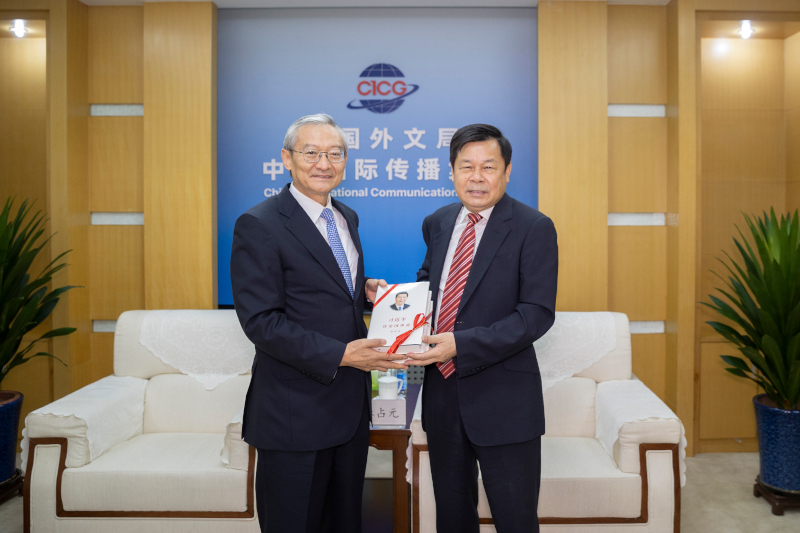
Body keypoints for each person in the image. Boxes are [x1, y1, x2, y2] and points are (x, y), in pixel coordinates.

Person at [230, 113, 407, 533]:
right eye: (311, 152)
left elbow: (322, 283)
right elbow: (261, 322)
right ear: (286, 159)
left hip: (348, 412)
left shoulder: (346, 217)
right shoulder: (259, 224)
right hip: (294, 415)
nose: (323, 163)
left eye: (335, 153)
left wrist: (363, 287)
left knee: (345, 523)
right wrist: (341, 354)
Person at [407, 124, 558, 533]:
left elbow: (536, 314)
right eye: (466, 166)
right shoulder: (438, 222)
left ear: (506, 171)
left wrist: (461, 344)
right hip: (442, 398)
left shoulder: (533, 227)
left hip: (504, 400)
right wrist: (394, 302)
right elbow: (430, 286)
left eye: (488, 167)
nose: (477, 177)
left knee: (515, 520)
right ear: (451, 171)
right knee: (452, 517)